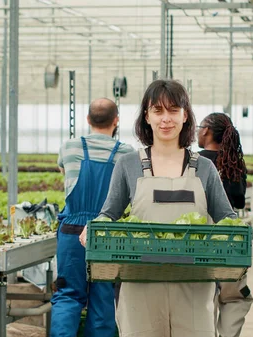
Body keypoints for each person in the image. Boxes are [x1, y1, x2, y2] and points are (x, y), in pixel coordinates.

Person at [80, 79, 237, 337]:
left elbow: (227, 218)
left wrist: (233, 237)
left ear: (185, 116)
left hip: (194, 285)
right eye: (158, 111)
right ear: (147, 116)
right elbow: (109, 213)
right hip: (140, 284)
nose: (166, 119)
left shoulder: (204, 168)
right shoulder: (128, 164)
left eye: (173, 110)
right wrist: (94, 228)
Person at [51, 98, 134, 337]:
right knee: (102, 294)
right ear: (116, 121)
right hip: (107, 233)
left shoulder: (69, 147)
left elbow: (64, 174)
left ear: (87, 119)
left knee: (68, 294)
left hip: (72, 231)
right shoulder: (126, 153)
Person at [197, 112, 251, 337]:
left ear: (207, 131)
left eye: (199, 127)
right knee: (235, 296)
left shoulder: (193, 161)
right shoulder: (234, 164)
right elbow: (239, 201)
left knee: (203, 296)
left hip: (198, 238)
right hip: (230, 239)